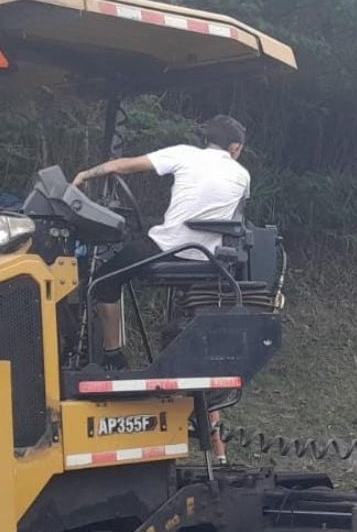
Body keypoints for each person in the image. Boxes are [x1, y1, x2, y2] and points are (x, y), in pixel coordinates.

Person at [71, 116, 250, 369]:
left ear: (208, 140)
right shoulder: (243, 176)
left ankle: (113, 356)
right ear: (235, 148)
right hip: (208, 259)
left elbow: (123, 166)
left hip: (167, 248)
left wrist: (85, 174)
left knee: (103, 280)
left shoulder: (184, 154)